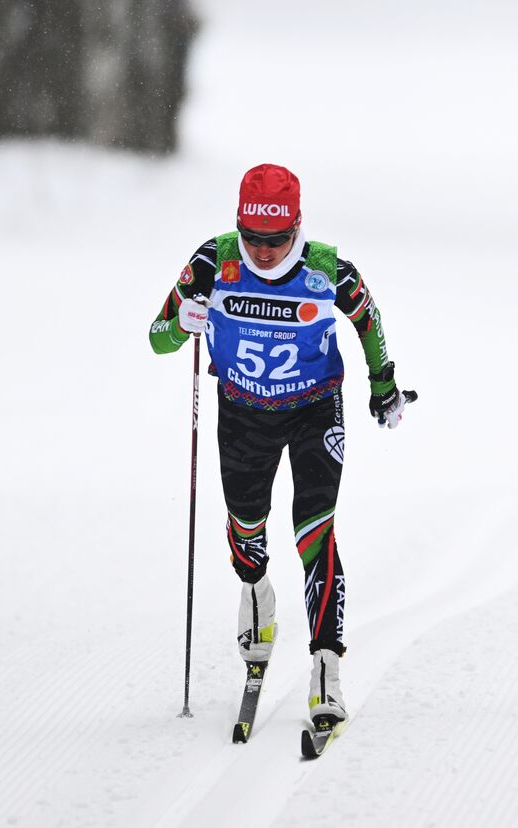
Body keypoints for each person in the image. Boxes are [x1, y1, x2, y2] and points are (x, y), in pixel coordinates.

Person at [149, 163, 414, 730]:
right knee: (246, 535)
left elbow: (369, 320)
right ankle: (256, 593)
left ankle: (326, 669)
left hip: (315, 410)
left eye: (276, 240)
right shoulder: (211, 263)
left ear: (298, 226)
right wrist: (183, 322)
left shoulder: (326, 270)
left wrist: (383, 383)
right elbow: (157, 338)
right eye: (252, 239)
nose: (264, 253)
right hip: (243, 414)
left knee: (314, 532)